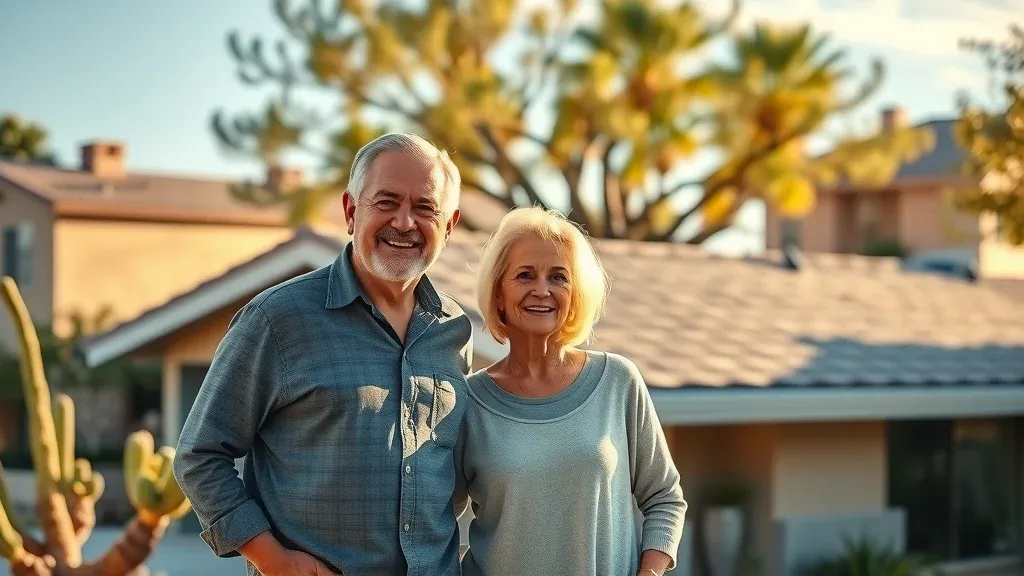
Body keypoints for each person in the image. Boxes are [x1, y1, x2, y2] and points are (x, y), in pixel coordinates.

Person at [173, 133, 474, 576]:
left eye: (425, 207)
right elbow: (198, 456)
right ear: (352, 211)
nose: (405, 222)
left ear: (449, 225)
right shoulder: (277, 320)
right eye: (386, 202)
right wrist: (272, 559)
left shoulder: (455, 332)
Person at [455, 206, 687, 576]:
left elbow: (665, 498)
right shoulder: (467, 402)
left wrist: (650, 572)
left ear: (575, 293)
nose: (542, 290)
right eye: (525, 275)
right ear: (499, 292)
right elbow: (431, 522)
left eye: (559, 277)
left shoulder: (617, 381)